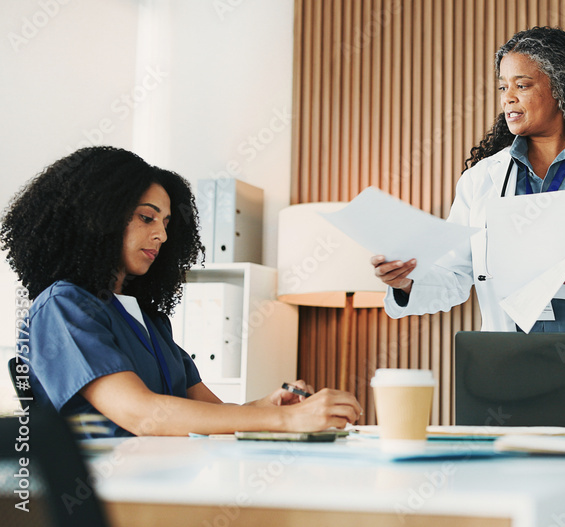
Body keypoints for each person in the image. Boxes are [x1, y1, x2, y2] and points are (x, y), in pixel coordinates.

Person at [371, 27, 565, 419]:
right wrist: (406, 282)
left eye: (522, 85)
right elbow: (454, 275)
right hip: (516, 369)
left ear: (561, 89)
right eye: (503, 86)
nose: (507, 97)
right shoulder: (482, 181)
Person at [2, 146, 362, 438]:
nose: (161, 235)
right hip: (108, 489)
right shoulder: (63, 307)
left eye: (166, 223)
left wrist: (267, 408)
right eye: (147, 217)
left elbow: (209, 413)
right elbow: (141, 413)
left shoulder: (150, 320)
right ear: (98, 217)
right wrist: (286, 421)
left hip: (165, 478)